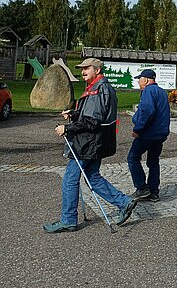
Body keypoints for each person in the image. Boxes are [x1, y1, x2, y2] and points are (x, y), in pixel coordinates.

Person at [44, 58, 137, 233]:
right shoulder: (101, 87)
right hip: (96, 142)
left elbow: (92, 121)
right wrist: (74, 114)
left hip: (88, 143)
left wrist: (67, 128)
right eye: (82, 69)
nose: (83, 72)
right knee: (92, 177)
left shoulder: (97, 90)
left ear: (97, 70)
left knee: (70, 179)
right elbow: (92, 115)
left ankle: (68, 220)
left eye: (86, 68)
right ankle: (124, 202)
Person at [128, 68, 170, 202]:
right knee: (153, 162)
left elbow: (147, 111)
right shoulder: (162, 92)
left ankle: (141, 188)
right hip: (160, 134)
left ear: (145, 80)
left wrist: (138, 129)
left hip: (147, 134)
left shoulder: (148, 91)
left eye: (139, 79)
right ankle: (153, 192)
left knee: (133, 158)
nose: (138, 82)